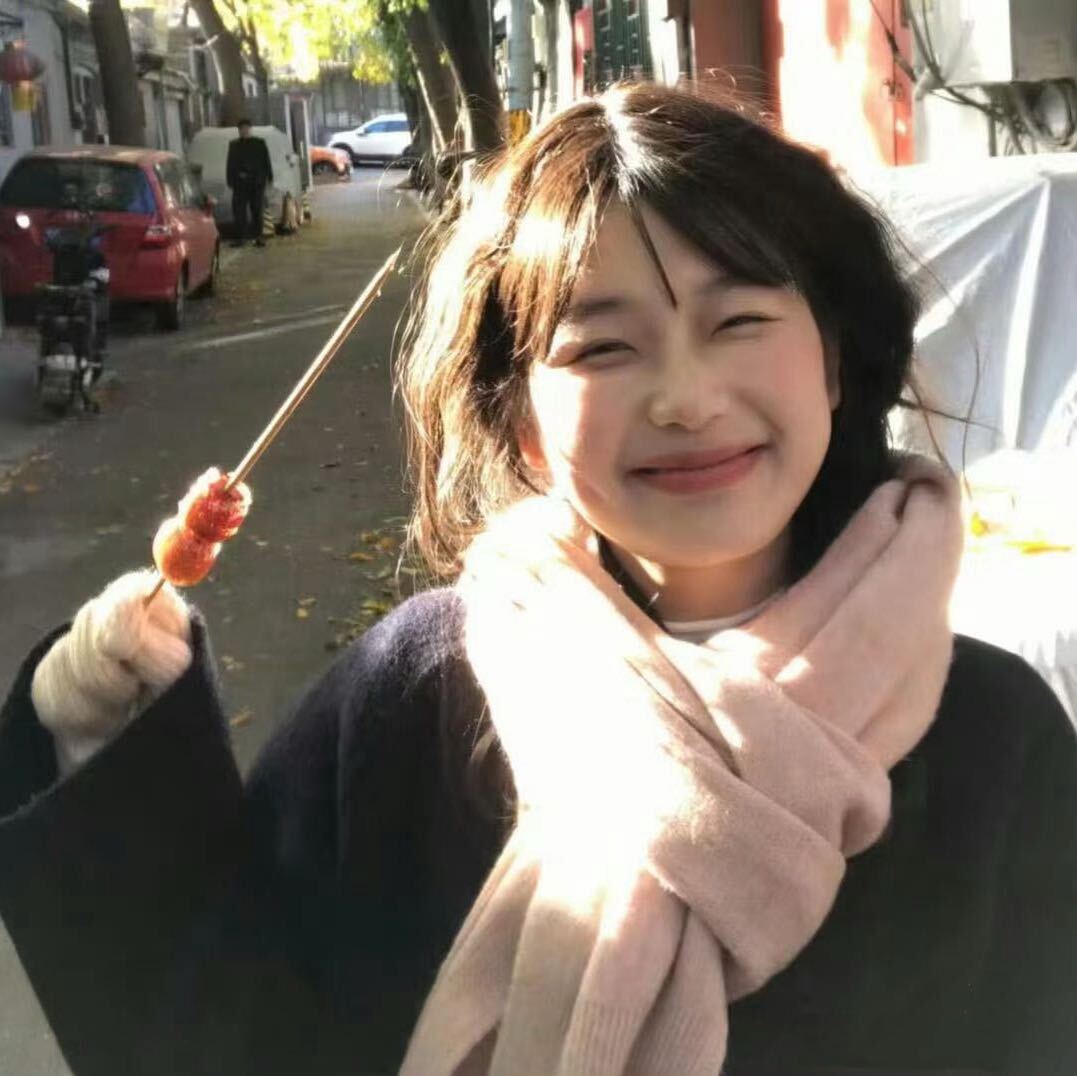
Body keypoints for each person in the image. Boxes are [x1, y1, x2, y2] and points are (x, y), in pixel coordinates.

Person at [1, 83, 1075, 1076]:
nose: (686, 398)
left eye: (739, 321)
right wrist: (99, 734)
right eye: (602, 349)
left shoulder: (993, 732)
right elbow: (228, 1021)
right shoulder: (415, 693)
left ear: (833, 360)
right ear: (518, 419)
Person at [226, 118, 272, 248]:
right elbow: (230, 164)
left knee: (257, 210)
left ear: (250, 129)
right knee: (239, 212)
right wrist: (230, 180)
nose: (244, 131)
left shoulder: (259, 143)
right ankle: (241, 238)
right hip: (240, 184)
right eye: (242, 129)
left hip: (256, 183)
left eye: (246, 129)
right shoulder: (234, 145)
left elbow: (266, 162)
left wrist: (268, 178)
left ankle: (259, 237)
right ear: (239, 131)